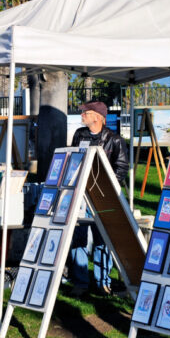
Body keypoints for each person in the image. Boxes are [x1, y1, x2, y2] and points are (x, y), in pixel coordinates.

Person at [67, 100, 128, 295]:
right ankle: (80, 281)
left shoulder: (115, 140)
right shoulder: (79, 135)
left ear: (97, 116)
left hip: (104, 195)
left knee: (103, 238)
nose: (82, 115)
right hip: (82, 194)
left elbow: (122, 167)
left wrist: (107, 188)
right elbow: (73, 158)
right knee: (78, 236)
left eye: (85, 112)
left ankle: (103, 281)